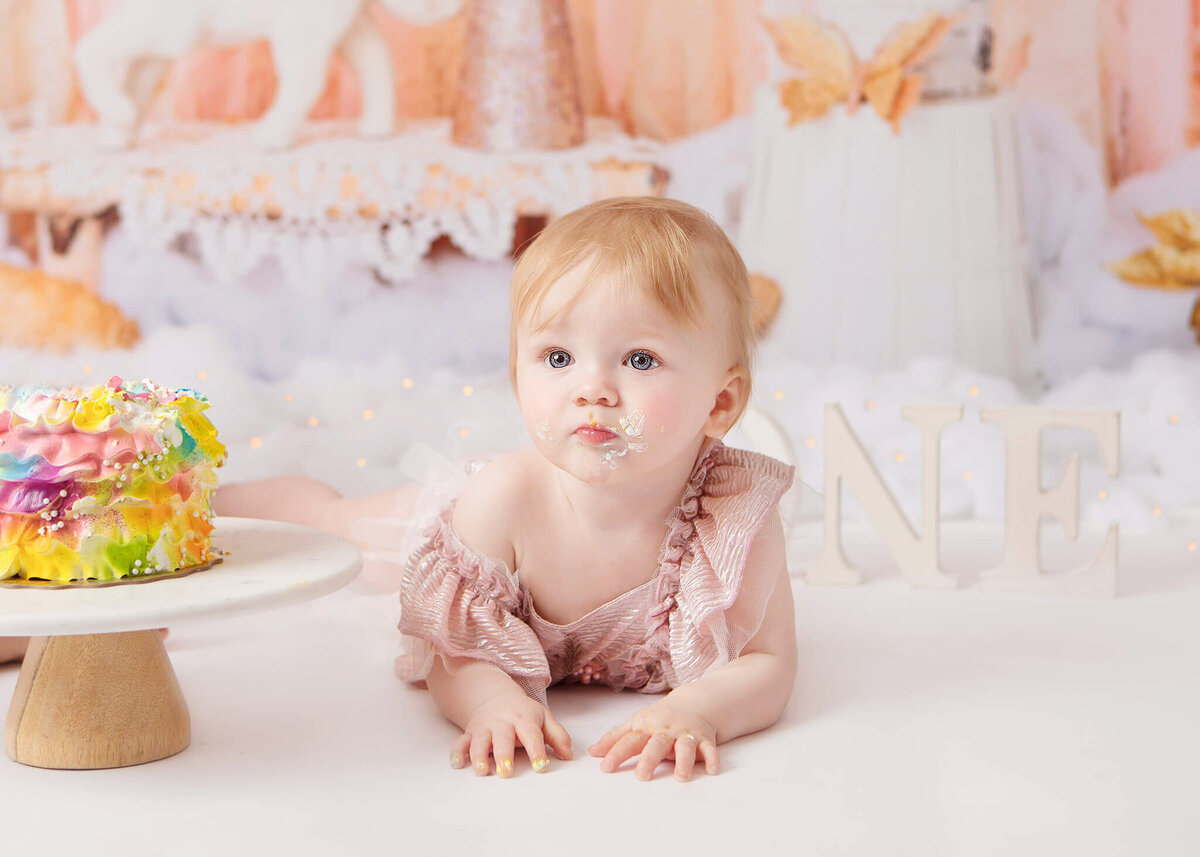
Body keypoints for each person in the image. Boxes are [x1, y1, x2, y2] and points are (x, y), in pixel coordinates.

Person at [217, 197, 797, 781]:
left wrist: (697, 708)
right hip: (463, 532)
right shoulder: (502, 503)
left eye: (640, 359)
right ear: (519, 376)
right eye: (559, 356)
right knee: (335, 525)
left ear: (719, 403)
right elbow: (455, 650)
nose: (591, 388)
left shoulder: (732, 519)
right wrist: (490, 700)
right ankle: (210, 506)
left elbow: (768, 663)